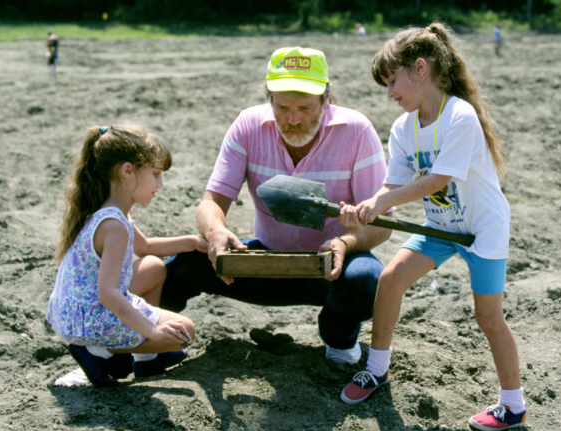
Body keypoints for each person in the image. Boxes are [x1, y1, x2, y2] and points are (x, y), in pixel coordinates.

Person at [337, 23, 527, 431]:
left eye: (392, 82)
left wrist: (383, 202)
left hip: (483, 229)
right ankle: (377, 369)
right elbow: (392, 185)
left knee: (488, 317)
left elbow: (437, 180)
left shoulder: (459, 115)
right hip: (441, 226)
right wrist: (366, 210)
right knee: (390, 279)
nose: (390, 93)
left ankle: (513, 405)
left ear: (419, 68)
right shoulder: (404, 128)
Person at [161, 46, 391, 365]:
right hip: (264, 259)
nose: (293, 119)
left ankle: (337, 337)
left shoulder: (357, 131)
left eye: (305, 108)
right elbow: (211, 202)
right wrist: (215, 232)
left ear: (327, 99)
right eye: (282, 107)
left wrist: (345, 242)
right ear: (269, 98)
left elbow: (381, 224)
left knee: (369, 281)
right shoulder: (249, 125)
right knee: (177, 266)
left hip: (332, 267)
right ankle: (152, 341)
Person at [47, 124, 208, 387]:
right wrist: (151, 330)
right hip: (88, 319)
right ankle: (97, 352)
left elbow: (145, 249)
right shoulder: (114, 226)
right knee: (183, 331)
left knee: (154, 268)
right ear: (127, 172)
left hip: (77, 309)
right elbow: (108, 294)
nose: (161, 184)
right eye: (155, 174)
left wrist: (192, 242)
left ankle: (147, 358)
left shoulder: (110, 210)